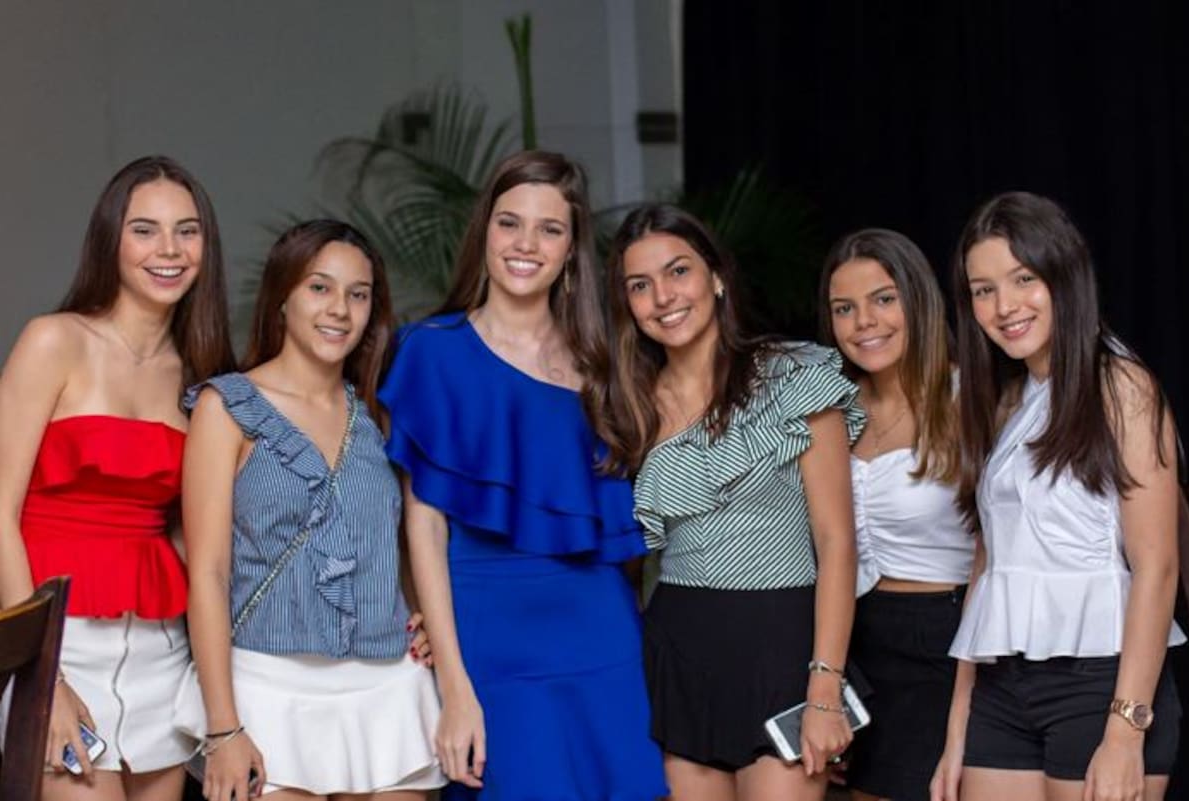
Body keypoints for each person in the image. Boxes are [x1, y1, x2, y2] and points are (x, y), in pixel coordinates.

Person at [380, 150, 668, 801]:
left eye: (550, 228)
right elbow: (423, 528)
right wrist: (454, 684)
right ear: (485, 231)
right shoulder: (431, 350)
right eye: (510, 223)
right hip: (487, 637)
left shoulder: (605, 368)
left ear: (572, 249)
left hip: (602, 635)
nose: (526, 244)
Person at [592, 203, 862, 801]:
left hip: (784, 646)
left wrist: (824, 689)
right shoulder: (628, 408)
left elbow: (837, 542)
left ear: (716, 277)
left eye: (678, 271)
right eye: (640, 286)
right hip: (680, 651)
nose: (663, 296)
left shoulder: (794, 375)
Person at [931, 191, 1186, 801]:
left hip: (1103, 683)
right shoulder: (1005, 401)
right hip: (1003, 687)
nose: (1004, 306)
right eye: (982, 289)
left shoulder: (1122, 385)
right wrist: (957, 727)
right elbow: (988, 566)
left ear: (1063, 276)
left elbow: (1158, 567)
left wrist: (1125, 733)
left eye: (1023, 279)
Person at [179, 220, 443, 801]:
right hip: (265, 687)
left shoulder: (380, 412)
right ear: (282, 298)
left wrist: (422, 610)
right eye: (319, 288)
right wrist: (223, 726)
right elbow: (207, 573)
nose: (340, 310)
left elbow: (407, 537)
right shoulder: (226, 408)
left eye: (359, 293)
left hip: (386, 688)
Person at [0, 155, 235, 800]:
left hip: (161, 649)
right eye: (145, 229)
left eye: (187, 231)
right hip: (58, 642)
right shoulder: (54, 341)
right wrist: (40, 675)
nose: (169, 249)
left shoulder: (202, 371)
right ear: (111, 240)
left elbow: (203, 537)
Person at [817, 229, 975, 801]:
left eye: (884, 299)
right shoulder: (828, 408)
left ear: (918, 299)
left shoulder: (971, 400)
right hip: (858, 642)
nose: (865, 322)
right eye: (844, 308)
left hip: (949, 638)